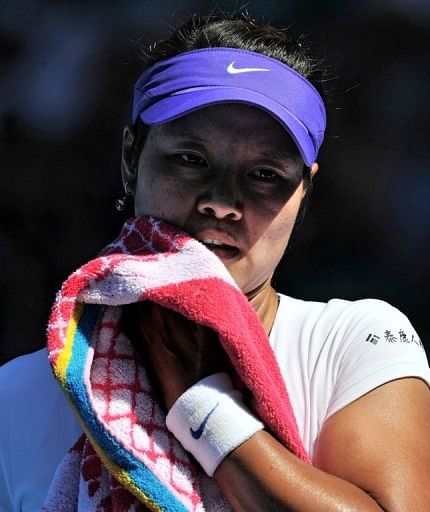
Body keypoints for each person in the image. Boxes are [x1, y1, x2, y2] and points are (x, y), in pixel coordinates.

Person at [1, 13, 430, 512]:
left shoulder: (352, 342)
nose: (222, 202)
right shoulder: (16, 397)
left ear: (305, 192)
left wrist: (200, 400)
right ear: (131, 159)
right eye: (190, 159)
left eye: (265, 174)